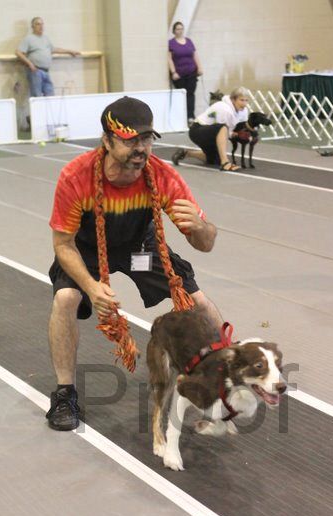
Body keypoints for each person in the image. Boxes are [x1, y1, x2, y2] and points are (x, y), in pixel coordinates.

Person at [46, 96, 222, 431]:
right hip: (84, 248)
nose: (140, 148)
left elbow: (206, 244)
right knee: (66, 298)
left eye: (145, 139)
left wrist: (201, 228)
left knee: (197, 301)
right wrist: (91, 286)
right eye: (130, 139)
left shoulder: (162, 176)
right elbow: (62, 244)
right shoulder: (76, 176)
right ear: (107, 140)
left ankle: (224, 370)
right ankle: (64, 394)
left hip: (140, 246)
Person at [172, 86, 250, 172]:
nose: (244, 103)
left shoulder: (243, 111)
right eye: (241, 100)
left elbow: (242, 126)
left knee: (215, 159)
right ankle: (225, 163)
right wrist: (233, 134)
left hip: (210, 132)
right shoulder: (224, 109)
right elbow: (223, 131)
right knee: (223, 128)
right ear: (233, 100)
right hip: (197, 130)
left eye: (246, 100)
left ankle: (186, 153)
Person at [16, 17, 80, 97]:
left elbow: (53, 49)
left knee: (50, 95)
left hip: (46, 71)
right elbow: (18, 52)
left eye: (42, 24)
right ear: (33, 27)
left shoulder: (45, 38)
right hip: (35, 71)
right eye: (38, 24)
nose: (41, 26)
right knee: (37, 96)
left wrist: (70, 51)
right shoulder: (29, 39)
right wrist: (29, 64)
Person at [168, 21, 203, 124]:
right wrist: (173, 72)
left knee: (191, 94)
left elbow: (195, 55)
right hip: (179, 74)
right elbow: (169, 59)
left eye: (181, 29)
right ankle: (182, 117)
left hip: (191, 72)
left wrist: (200, 68)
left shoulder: (189, 41)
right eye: (178, 29)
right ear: (174, 31)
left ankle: (191, 116)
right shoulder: (171, 43)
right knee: (181, 95)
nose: (180, 31)